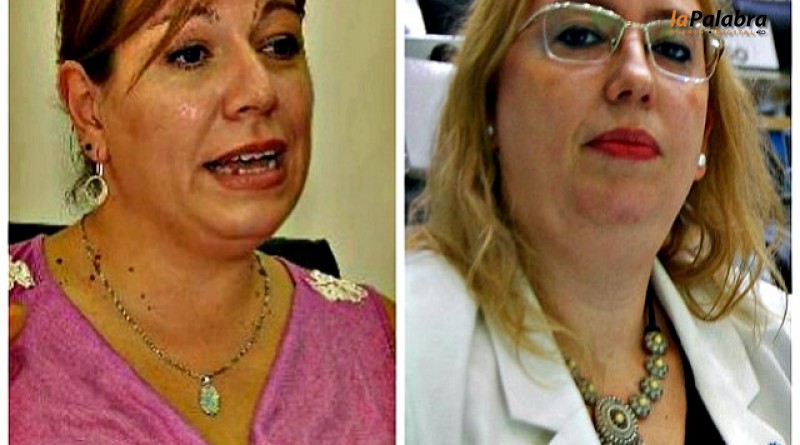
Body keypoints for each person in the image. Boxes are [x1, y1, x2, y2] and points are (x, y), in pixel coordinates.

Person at [9, 1, 395, 444]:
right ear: (89, 109)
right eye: (190, 55)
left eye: (280, 44)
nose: (260, 90)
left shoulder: (386, 343)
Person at [406, 0, 789, 444]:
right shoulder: (408, 357)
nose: (638, 76)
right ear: (489, 99)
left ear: (705, 133)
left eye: (672, 48)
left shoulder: (780, 342)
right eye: (580, 36)